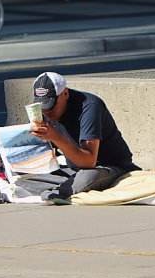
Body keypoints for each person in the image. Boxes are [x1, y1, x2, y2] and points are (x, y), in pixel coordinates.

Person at [29, 72, 139, 201]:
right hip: (73, 168)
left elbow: (89, 161)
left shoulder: (90, 106)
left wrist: (55, 137)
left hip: (107, 166)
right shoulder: (44, 111)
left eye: (51, 106)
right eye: (42, 107)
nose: (46, 112)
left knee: (85, 180)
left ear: (65, 93)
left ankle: (56, 189)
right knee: (21, 177)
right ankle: (59, 187)